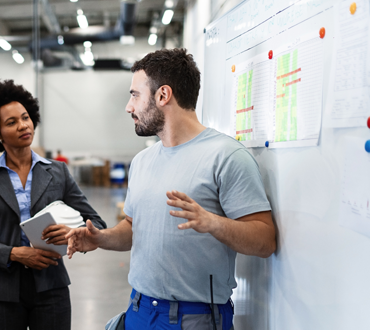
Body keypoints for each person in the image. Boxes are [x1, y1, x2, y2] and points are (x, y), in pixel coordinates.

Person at [66, 48, 277, 330]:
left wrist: (214, 223)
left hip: (196, 318)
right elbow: (133, 227)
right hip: (139, 310)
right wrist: (100, 238)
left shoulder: (226, 156)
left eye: (135, 95)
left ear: (163, 95)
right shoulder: (142, 161)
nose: (129, 107)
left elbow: (265, 241)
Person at [0, 79, 106, 330]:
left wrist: (73, 233)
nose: (23, 125)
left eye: (25, 117)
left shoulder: (58, 172)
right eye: (11, 122)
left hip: (51, 287)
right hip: (2, 293)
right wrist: (15, 254)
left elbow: (97, 224)